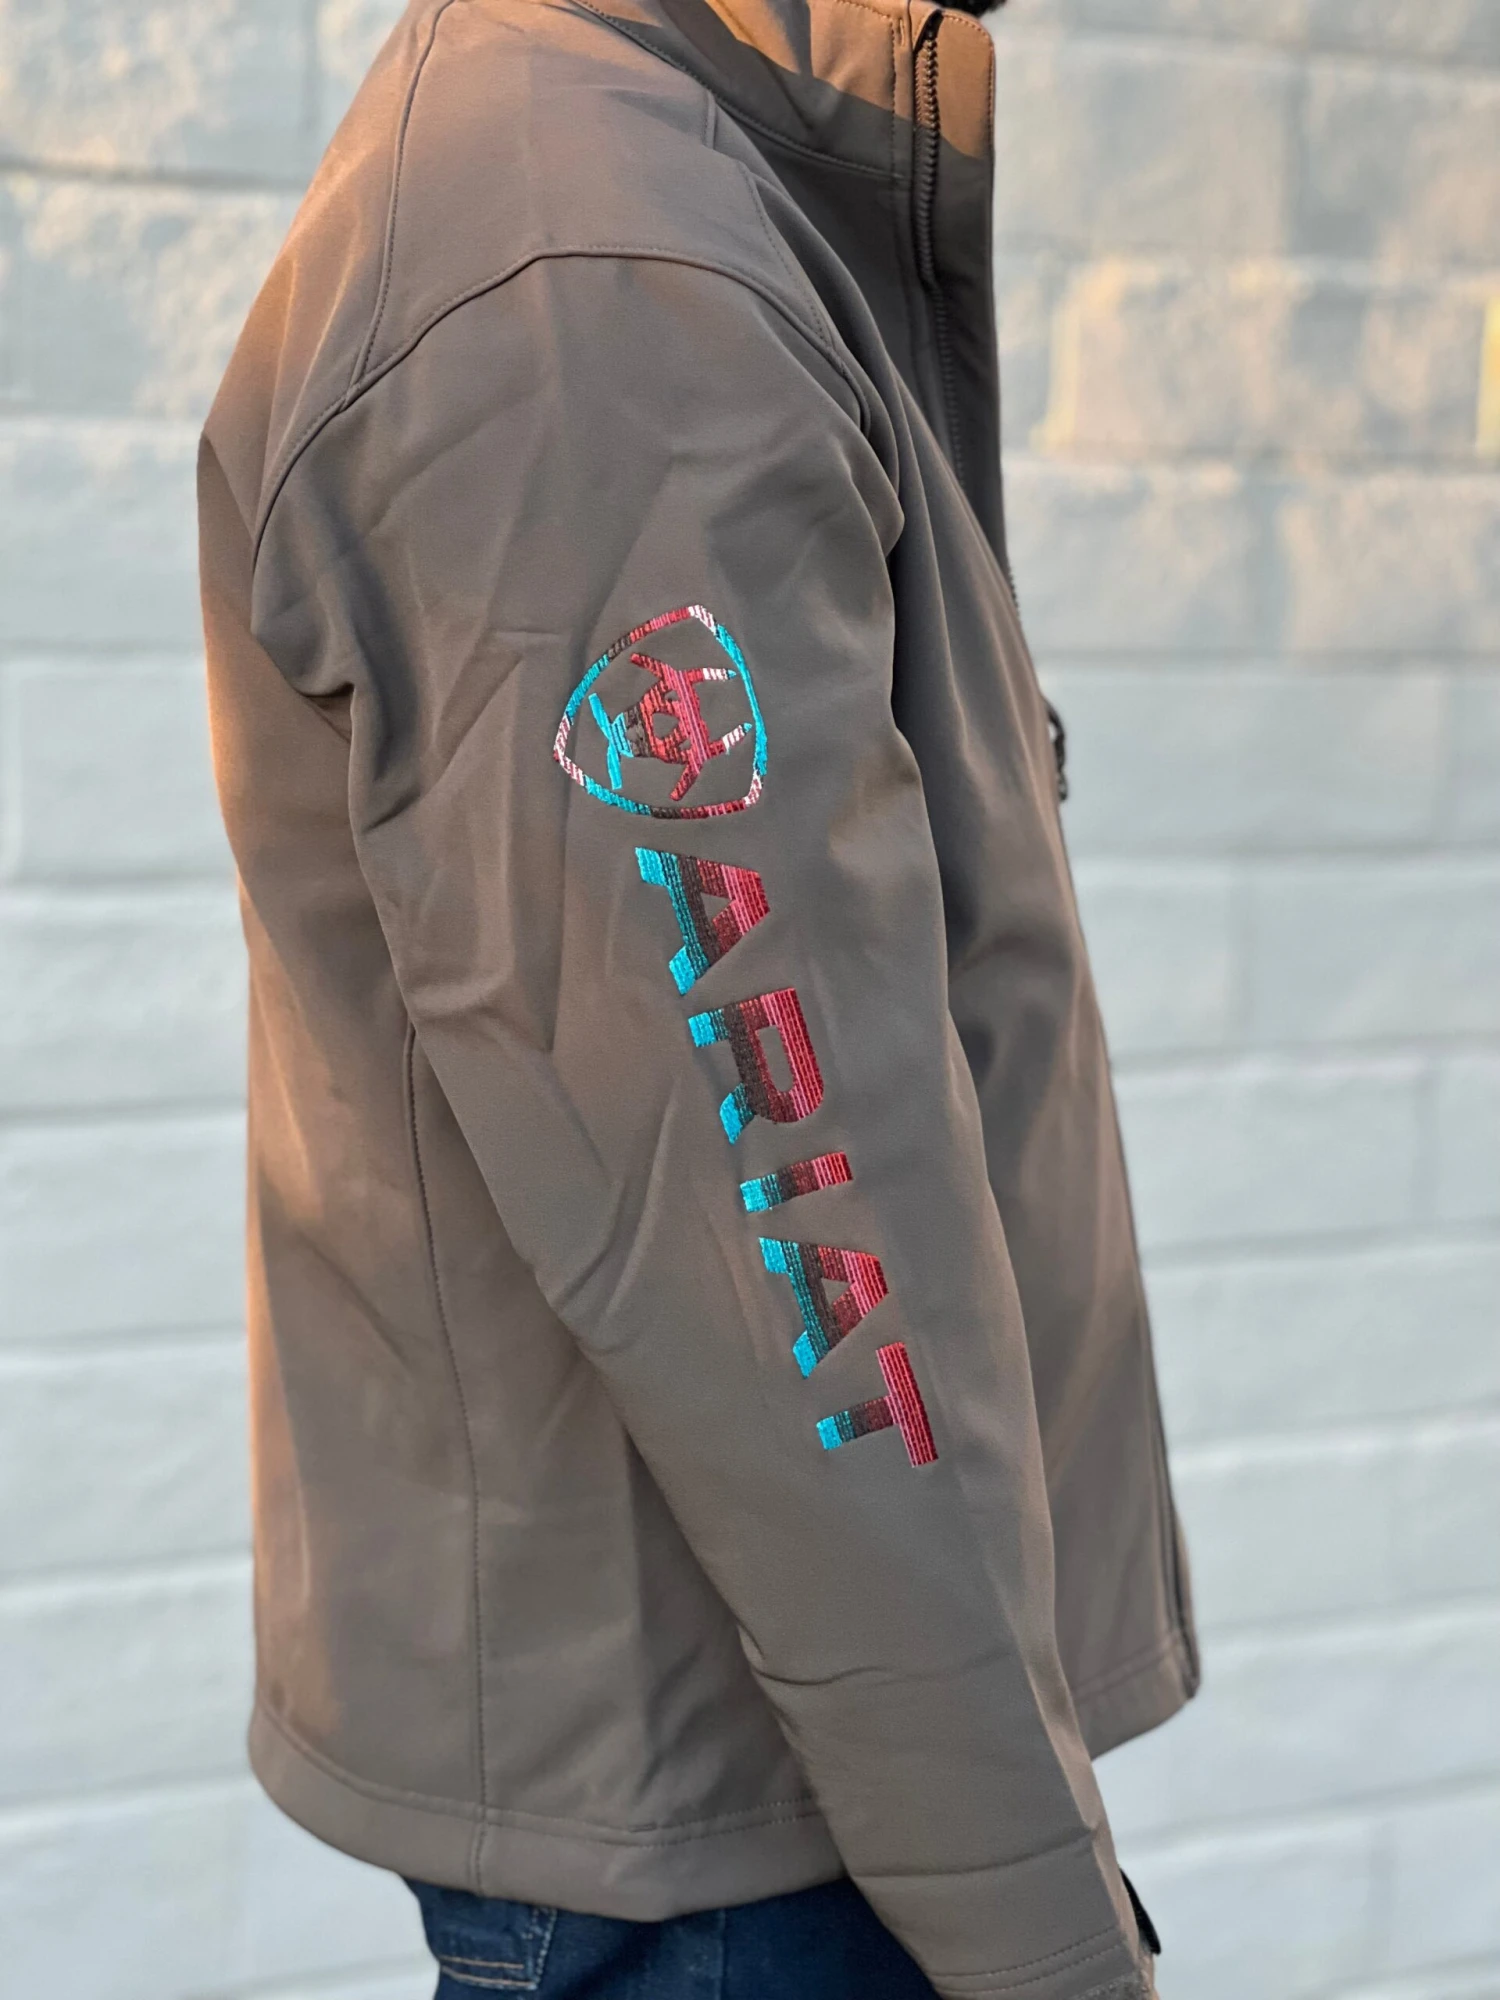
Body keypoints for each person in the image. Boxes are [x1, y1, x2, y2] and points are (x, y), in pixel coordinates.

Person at [199, 0, 1199, 1993]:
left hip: (791, 1783)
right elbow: (784, 1247)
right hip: (760, 1843)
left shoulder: (660, 188)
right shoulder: (593, 283)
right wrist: (1042, 1936)